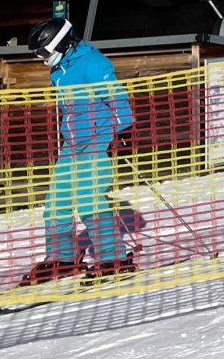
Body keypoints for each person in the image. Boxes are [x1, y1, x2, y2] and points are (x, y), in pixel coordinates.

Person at [18, 18, 135, 287]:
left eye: (43, 52)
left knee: (88, 198)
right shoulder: (59, 70)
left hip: (96, 140)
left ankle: (114, 257)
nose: (41, 58)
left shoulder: (93, 63)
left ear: (61, 43)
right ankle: (63, 257)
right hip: (72, 145)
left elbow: (116, 95)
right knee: (56, 201)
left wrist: (123, 128)